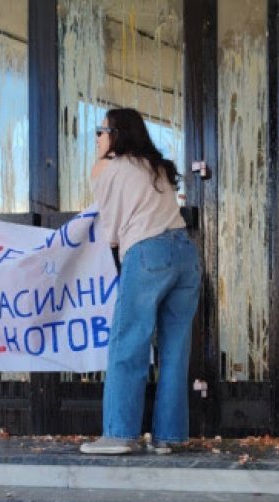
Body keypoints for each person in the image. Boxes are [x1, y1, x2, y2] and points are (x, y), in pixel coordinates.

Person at [80, 108, 201, 455]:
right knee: (176, 348)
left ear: (114, 134)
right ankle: (170, 436)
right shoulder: (157, 166)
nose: (97, 139)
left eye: (99, 132)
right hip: (184, 253)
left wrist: (100, 163)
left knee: (127, 341)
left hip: (147, 251)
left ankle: (119, 434)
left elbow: (113, 230)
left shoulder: (109, 169)